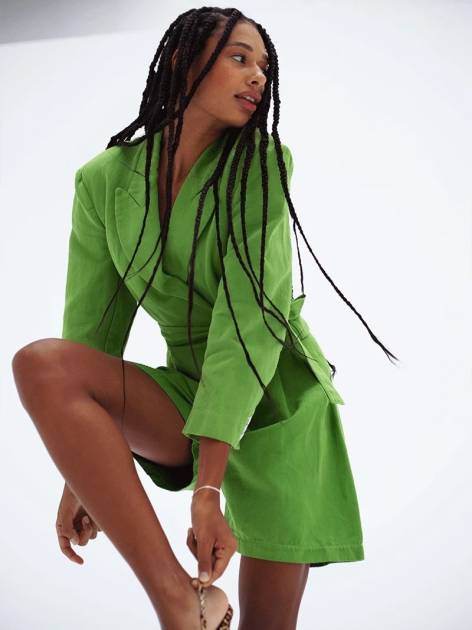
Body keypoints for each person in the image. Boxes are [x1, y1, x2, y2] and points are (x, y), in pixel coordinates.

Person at [12, 7, 398, 629]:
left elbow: (249, 325)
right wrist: (77, 477)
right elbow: (92, 331)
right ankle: (181, 601)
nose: (258, 77)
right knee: (44, 365)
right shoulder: (103, 181)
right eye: (239, 58)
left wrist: (208, 490)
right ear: (182, 62)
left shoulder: (260, 165)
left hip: (276, 405)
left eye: (264, 66)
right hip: (189, 393)